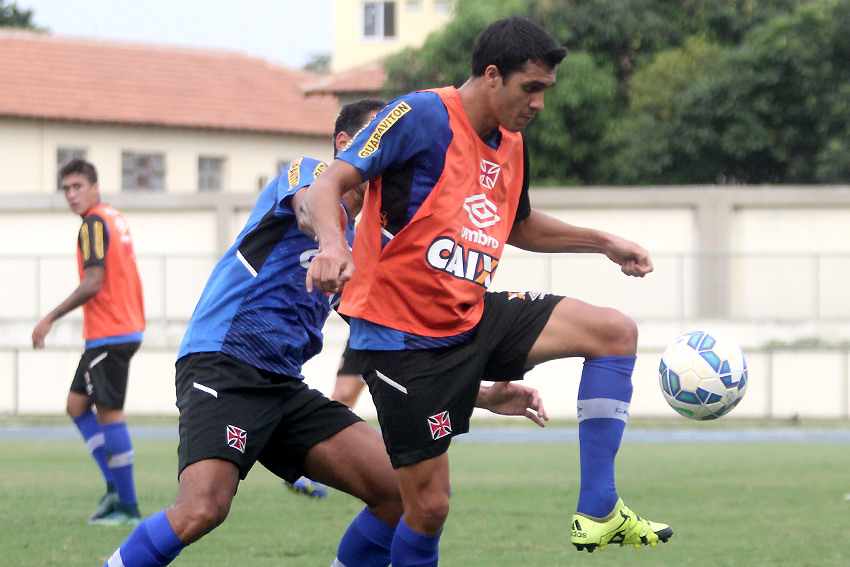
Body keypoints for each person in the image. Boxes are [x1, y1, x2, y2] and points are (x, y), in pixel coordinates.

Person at [99, 99, 549, 567]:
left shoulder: (366, 242)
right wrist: (329, 241)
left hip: (282, 386)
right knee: (202, 508)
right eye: (378, 140)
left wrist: (478, 394)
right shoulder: (307, 174)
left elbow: (395, 349)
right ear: (345, 143)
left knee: (402, 494)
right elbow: (307, 209)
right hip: (223, 365)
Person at [303, 16, 673, 564]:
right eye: (531, 88)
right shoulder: (421, 114)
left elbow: (518, 225)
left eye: (546, 90)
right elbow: (328, 183)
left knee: (613, 332)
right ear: (493, 75)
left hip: (471, 317)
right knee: (426, 508)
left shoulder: (512, 144)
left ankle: (599, 511)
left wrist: (603, 243)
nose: (539, 103)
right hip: (401, 341)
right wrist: (335, 244)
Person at [31, 159, 145, 526]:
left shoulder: (94, 223)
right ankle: (114, 487)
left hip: (111, 332)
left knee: (109, 414)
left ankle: (128, 506)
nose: (71, 194)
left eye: (78, 186)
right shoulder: (113, 217)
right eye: (66, 188)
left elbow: (94, 281)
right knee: (77, 405)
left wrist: (50, 317)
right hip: (120, 328)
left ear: (95, 187)